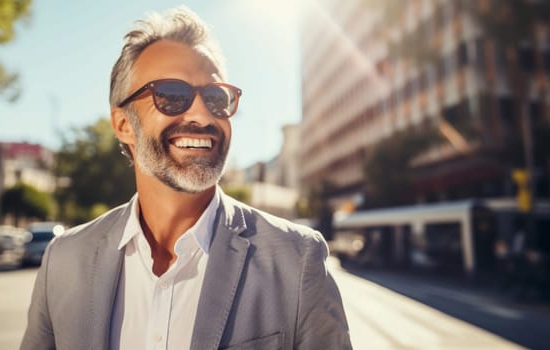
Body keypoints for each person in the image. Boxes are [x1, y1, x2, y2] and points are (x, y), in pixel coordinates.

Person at [21, 6, 351, 350]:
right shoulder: (64, 259)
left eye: (216, 97)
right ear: (122, 125)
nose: (201, 113)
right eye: (171, 95)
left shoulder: (297, 260)